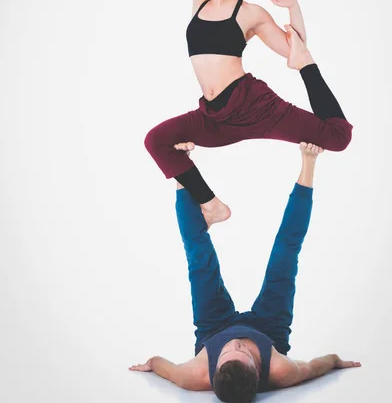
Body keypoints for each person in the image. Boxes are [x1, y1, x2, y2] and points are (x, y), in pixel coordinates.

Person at [144, 0, 353, 227]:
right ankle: (213, 206)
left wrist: (292, 5)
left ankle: (332, 114)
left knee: (337, 138)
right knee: (156, 140)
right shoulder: (200, 2)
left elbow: (296, 52)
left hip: (255, 108)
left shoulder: (250, 14)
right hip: (214, 117)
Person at [129, 143, 361, 401]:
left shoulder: (192, 376)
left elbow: (160, 364)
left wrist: (151, 364)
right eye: (244, 351)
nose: (236, 343)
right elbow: (316, 366)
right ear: (259, 368)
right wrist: (335, 361)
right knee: (285, 254)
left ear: (213, 369)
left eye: (229, 351)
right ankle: (309, 160)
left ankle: (181, 164)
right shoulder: (282, 371)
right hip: (269, 330)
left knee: (198, 258)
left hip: (213, 328)